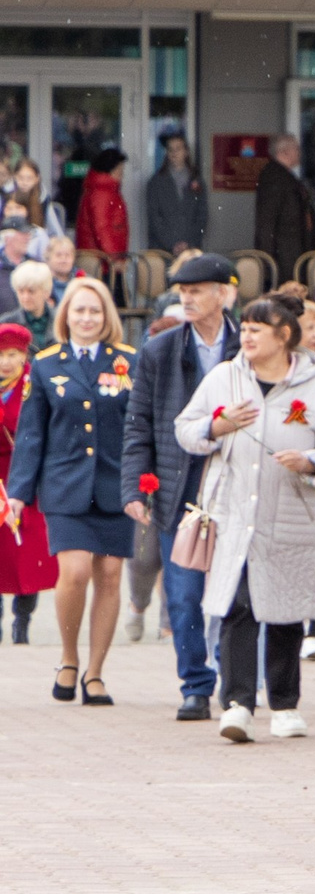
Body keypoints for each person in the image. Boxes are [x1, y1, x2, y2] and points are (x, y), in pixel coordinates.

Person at [176, 292, 315, 743]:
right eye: (247, 327)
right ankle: (237, 703)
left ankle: (285, 703)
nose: (249, 335)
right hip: (235, 514)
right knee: (238, 606)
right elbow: (185, 428)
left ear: (285, 336)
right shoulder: (224, 378)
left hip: (292, 515)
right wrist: (216, 428)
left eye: (259, 329)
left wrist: (312, 461)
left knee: (284, 612)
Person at [4, 277, 136, 705]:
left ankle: (95, 672)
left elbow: (139, 428)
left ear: (107, 317)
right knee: (75, 572)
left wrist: (144, 483)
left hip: (115, 485)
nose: (87, 318)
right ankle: (68, 657)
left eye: (95, 311)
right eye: (79, 310)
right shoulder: (44, 365)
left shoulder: (128, 362)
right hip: (63, 485)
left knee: (111, 576)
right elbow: (30, 434)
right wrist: (19, 493)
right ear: (66, 316)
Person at [118, 253, 238, 718]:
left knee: (235, 592)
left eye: (196, 291)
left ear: (224, 294)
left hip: (235, 485)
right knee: (184, 596)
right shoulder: (158, 351)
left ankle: (238, 682)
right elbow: (139, 425)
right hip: (177, 488)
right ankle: (195, 684)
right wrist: (133, 488)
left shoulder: (248, 344)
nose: (185, 299)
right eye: (181, 292)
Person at [0, 322, 58, 643]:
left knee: (27, 554)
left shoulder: (33, 385)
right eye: (1, 355)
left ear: (24, 356)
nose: (6, 361)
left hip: (24, 477)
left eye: (13, 354)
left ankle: (22, 621)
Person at [254, 135, 315, 278]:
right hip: (283, 257)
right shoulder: (274, 178)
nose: (299, 152)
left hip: (292, 254)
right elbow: (266, 222)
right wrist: (268, 261)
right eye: (296, 148)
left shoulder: (285, 177)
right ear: (284, 152)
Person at [72, 148, 131, 258]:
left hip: (100, 258)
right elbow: (102, 228)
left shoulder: (101, 190)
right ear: (111, 170)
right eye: (120, 170)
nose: (122, 175)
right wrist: (114, 258)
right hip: (102, 261)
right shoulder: (102, 192)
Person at [2, 258, 51, 335]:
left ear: (46, 292)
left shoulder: (61, 320)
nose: (25, 297)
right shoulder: (6, 324)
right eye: (21, 291)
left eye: (31, 291)